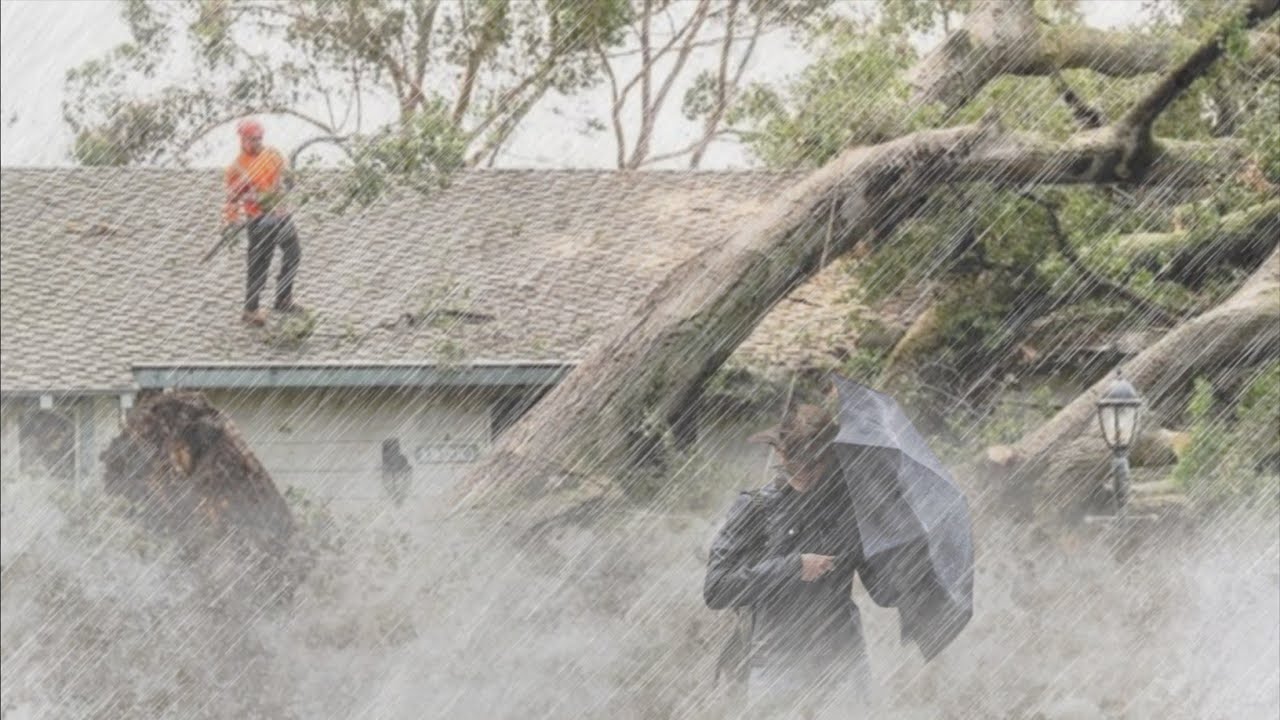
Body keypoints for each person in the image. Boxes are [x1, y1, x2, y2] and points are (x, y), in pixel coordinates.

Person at [704, 403, 873, 718]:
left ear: (830, 457)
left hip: (842, 660)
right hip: (777, 663)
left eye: (813, 464)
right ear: (779, 455)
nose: (803, 474)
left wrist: (897, 548)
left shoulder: (852, 507)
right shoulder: (755, 508)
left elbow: (883, 588)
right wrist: (793, 567)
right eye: (794, 463)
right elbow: (717, 589)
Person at [224, 118, 303, 326]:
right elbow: (231, 200)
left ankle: (283, 299)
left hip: (280, 215)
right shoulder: (237, 168)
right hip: (259, 220)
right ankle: (251, 311)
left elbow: (286, 179)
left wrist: (288, 182)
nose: (257, 143)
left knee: (293, 254)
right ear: (243, 140)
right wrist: (232, 221)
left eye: (260, 138)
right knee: (259, 263)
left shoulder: (273, 155)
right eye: (253, 139)